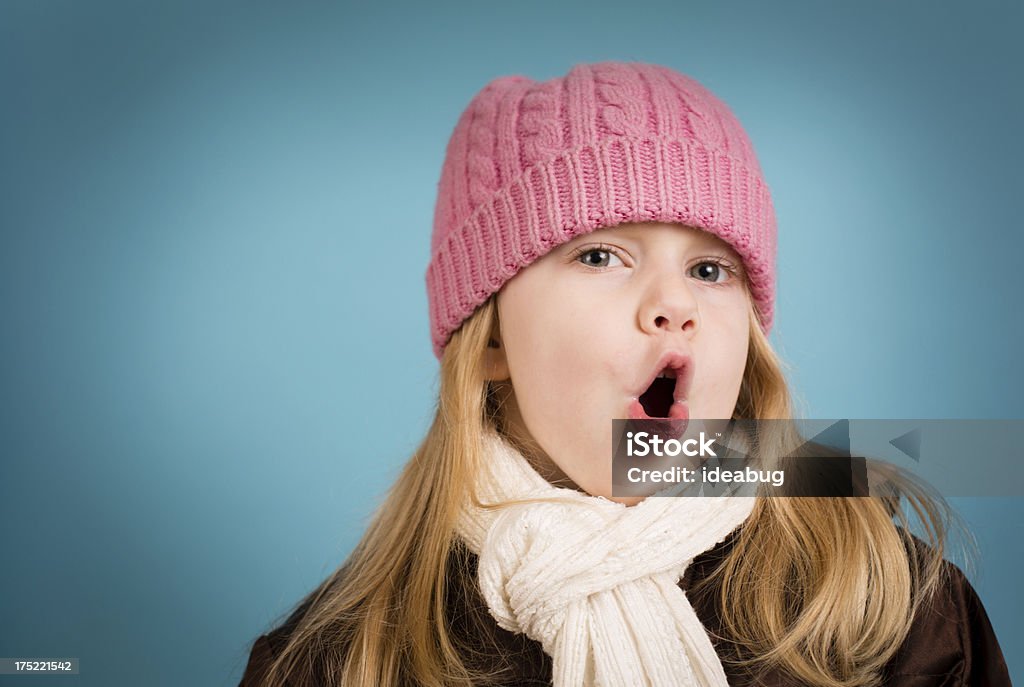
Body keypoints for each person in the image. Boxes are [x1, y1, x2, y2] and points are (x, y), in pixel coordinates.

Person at [239, 61, 1011, 686]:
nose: (674, 304)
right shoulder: (336, 660)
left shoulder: (886, 601)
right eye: (600, 255)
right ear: (493, 339)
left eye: (711, 269)